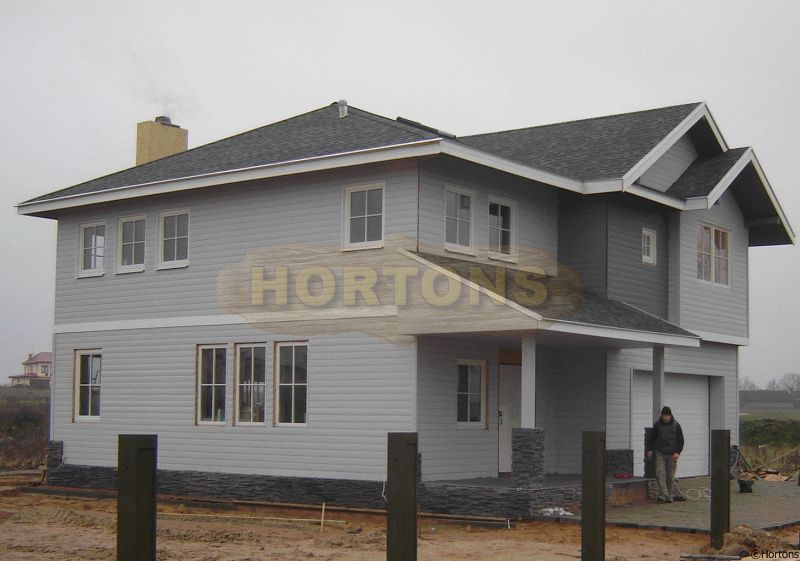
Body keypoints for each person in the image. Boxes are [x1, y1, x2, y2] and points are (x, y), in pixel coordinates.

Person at [646, 405, 687, 502]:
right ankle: (665, 494)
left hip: (672, 453)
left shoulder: (676, 425)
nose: (665, 418)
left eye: (667, 416)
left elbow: (680, 440)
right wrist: (650, 449)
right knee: (660, 473)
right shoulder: (657, 425)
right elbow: (651, 438)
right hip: (660, 452)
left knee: (670, 476)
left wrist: (677, 452)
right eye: (664, 416)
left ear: (670, 415)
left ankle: (669, 495)